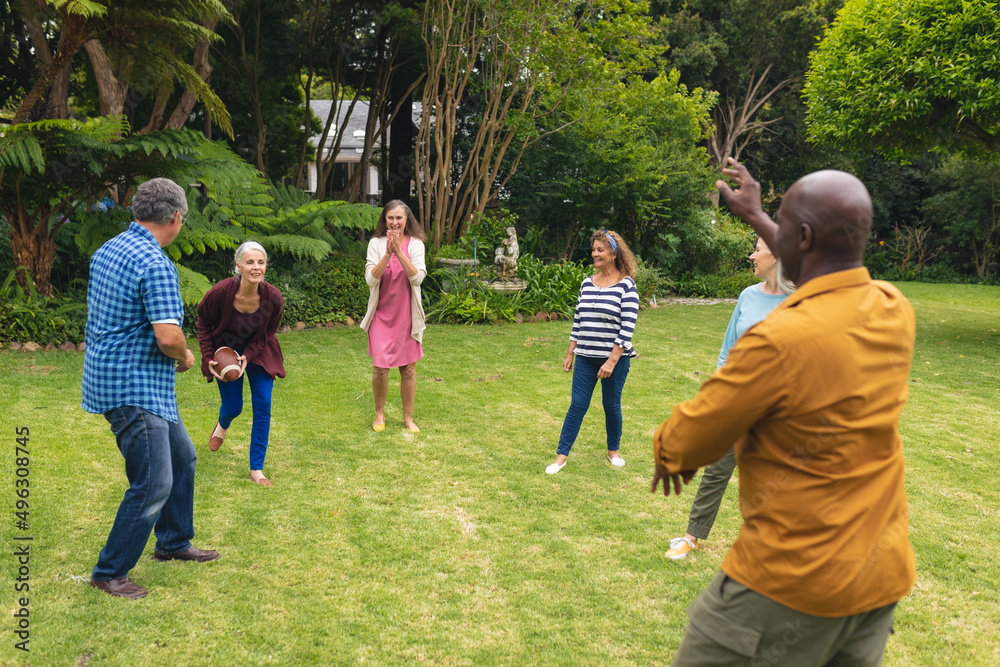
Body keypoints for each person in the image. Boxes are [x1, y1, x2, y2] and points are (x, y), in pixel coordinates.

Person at [651, 159, 916, 666]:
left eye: (783, 227)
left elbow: (688, 440)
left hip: (790, 585)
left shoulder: (777, 341)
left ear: (803, 238)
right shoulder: (891, 307)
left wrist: (668, 452)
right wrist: (756, 216)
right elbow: (821, 262)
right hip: (878, 575)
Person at [82, 178, 219, 600]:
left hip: (111, 377)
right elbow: (168, 336)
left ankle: (174, 541)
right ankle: (110, 571)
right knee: (153, 482)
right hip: (135, 387)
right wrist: (186, 357)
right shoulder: (155, 263)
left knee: (183, 457)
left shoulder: (109, 249)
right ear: (176, 217)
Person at [664, 237, 793, 560]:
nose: (752, 255)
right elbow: (727, 349)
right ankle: (691, 536)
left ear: (776, 256)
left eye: (757, 249)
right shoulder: (748, 296)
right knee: (716, 470)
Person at [546, 229, 639, 475]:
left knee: (611, 404)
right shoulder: (587, 283)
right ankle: (561, 457)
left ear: (614, 253)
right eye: (594, 249)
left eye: (600, 250)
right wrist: (570, 352)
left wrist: (611, 361)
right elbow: (578, 320)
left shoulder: (626, 285)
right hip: (586, 356)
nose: (594, 254)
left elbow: (627, 328)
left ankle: (613, 451)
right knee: (577, 404)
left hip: (615, 360)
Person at [196, 241, 285, 487]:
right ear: (239, 266)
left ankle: (256, 468)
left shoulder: (273, 297)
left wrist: (250, 353)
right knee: (234, 406)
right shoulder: (220, 293)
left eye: (261, 262)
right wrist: (207, 357)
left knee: (263, 405)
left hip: (260, 351)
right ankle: (223, 423)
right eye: (250, 262)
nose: (256, 267)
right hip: (227, 352)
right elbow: (203, 321)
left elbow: (271, 329)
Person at [360, 200, 427, 432]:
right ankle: (379, 413)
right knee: (380, 367)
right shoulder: (375, 244)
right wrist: (388, 254)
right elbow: (371, 279)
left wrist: (400, 251)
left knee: (408, 369)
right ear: (385, 220)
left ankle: (408, 418)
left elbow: (417, 278)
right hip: (381, 315)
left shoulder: (417, 244)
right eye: (391, 218)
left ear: (407, 219)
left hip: (407, 316)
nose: (395, 222)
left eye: (399, 217)